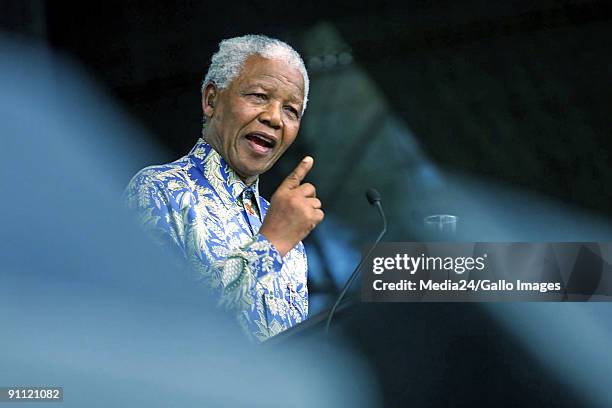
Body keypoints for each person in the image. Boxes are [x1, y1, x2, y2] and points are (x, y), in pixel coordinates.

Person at [125, 35, 324, 342]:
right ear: (211, 100)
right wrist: (270, 245)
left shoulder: (291, 240)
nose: (274, 118)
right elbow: (158, 324)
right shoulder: (158, 190)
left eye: (291, 110)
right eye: (259, 96)